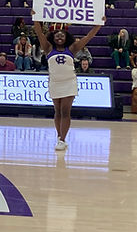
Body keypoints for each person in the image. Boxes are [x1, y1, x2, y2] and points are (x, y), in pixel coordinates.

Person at [32, 14, 103, 151]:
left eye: (62, 35)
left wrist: (99, 24)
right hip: (54, 82)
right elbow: (39, 32)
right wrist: (35, 18)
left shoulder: (72, 48)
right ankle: (60, 137)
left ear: (66, 37)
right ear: (52, 37)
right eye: (57, 35)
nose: (59, 37)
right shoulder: (48, 48)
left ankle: (63, 139)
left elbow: (88, 37)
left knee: (65, 111)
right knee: (57, 111)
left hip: (69, 82)